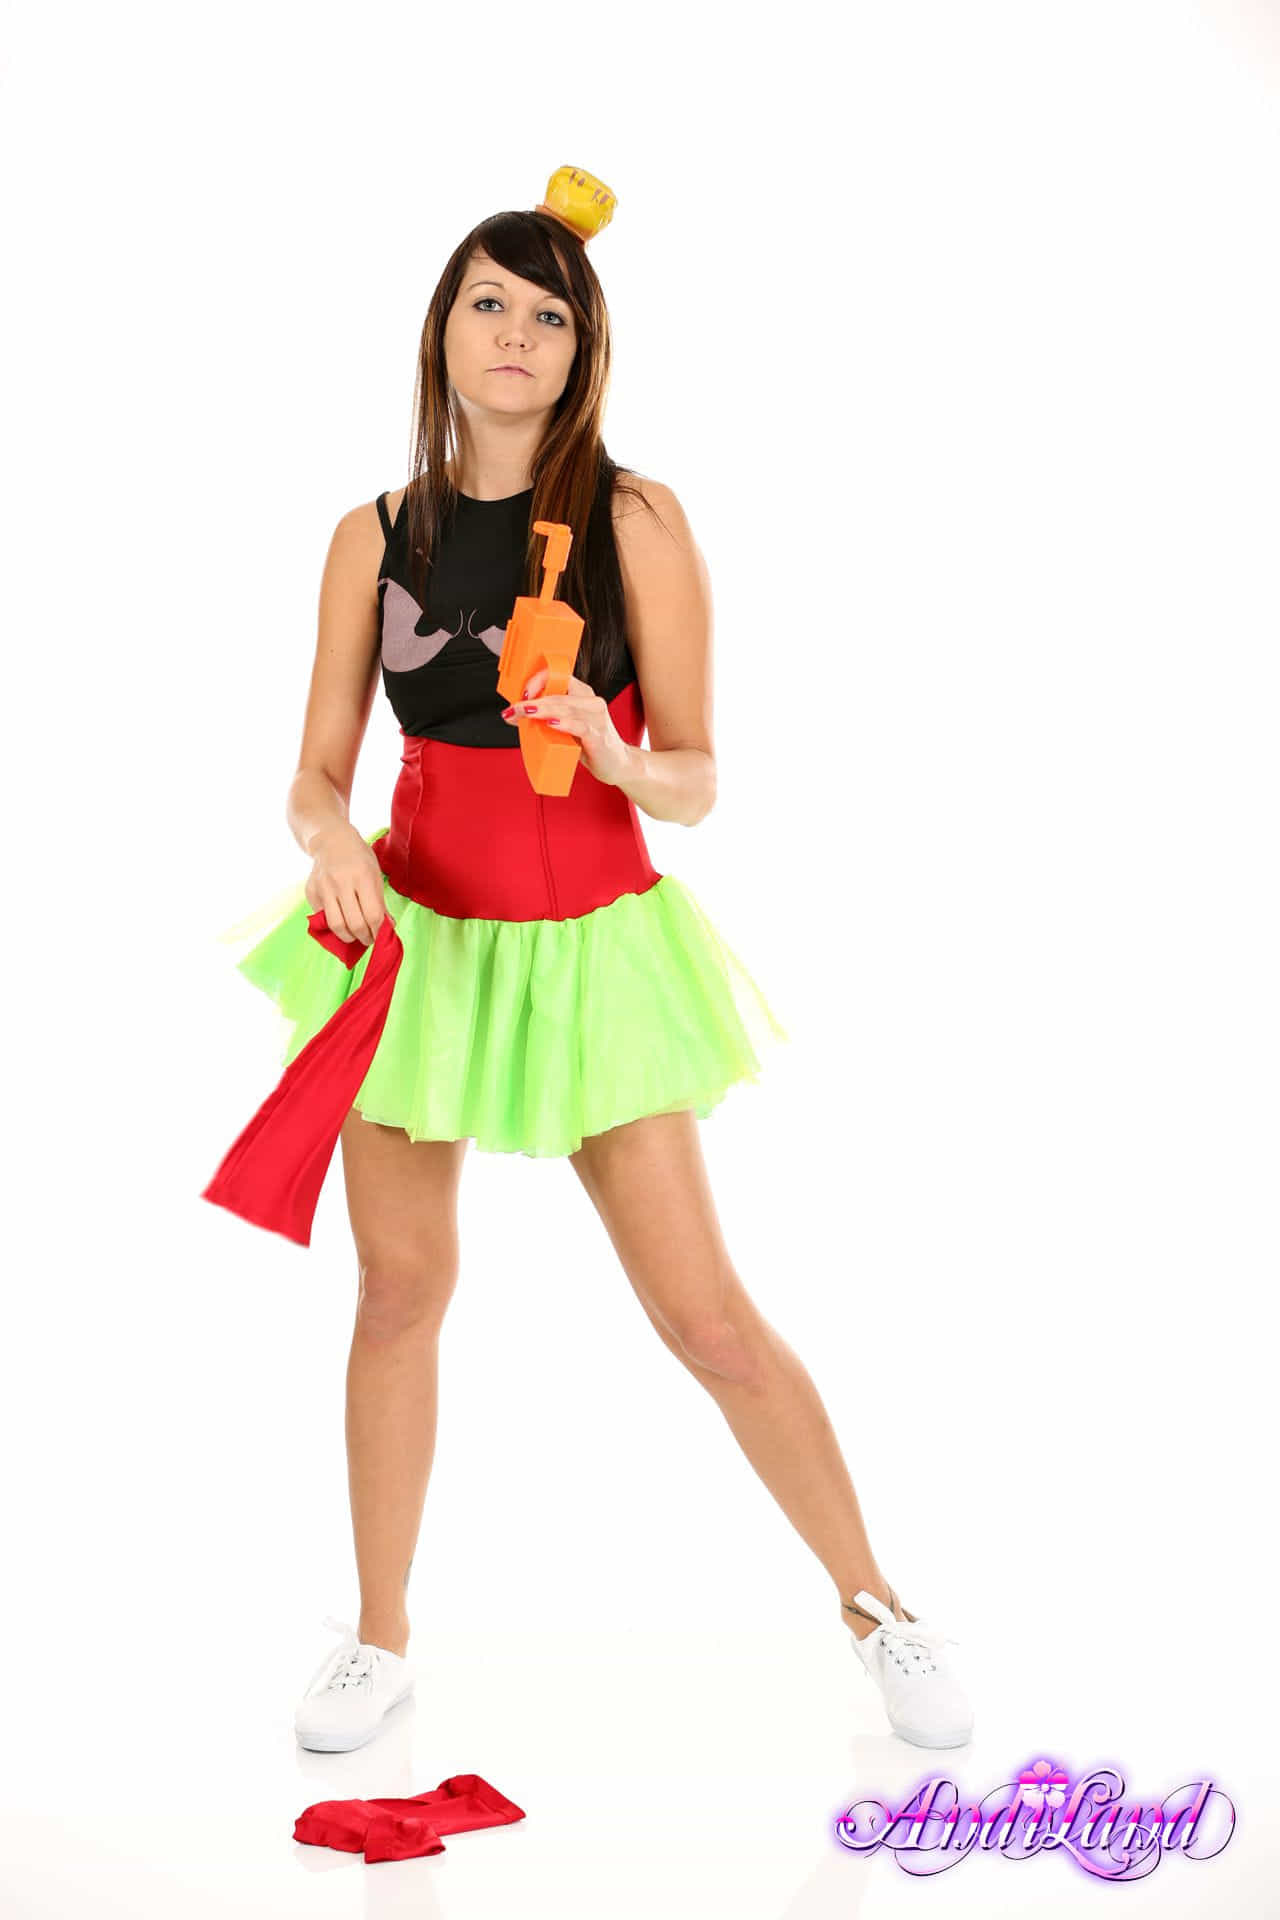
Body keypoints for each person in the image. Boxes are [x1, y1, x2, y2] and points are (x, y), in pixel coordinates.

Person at [213, 167, 974, 1755]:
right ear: (442, 330)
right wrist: (331, 839)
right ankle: (378, 1638)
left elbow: (697, 778)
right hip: (418, 949)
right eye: (487, 302)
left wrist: (615, 755)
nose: (514, 333)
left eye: (547, 314)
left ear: (584, 349)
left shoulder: (636, 521)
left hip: (591, 950)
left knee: (704, 1315)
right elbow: (313, 772)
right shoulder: (374, 536)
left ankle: (879, 1607)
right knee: (400, 1293)